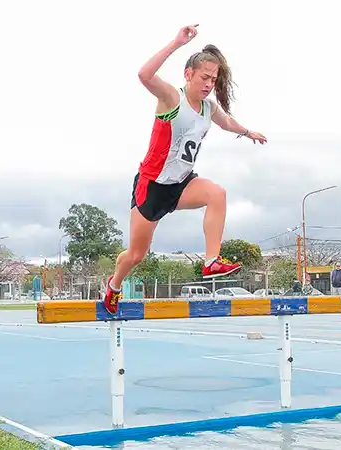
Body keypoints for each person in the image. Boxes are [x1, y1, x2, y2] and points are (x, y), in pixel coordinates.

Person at [103, 25, 267, 314]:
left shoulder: (208, 108)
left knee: (217, 194)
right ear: (188, 74)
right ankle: (114, 285)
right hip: (152, 187)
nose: (208, 84)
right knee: (136, 255)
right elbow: (144, 75)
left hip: (181, 184)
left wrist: (247, 132)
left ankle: (211, 261)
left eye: (213, 80)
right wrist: (176, 42)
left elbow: (226, 122)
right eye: (204, 77)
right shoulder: (171, 98)